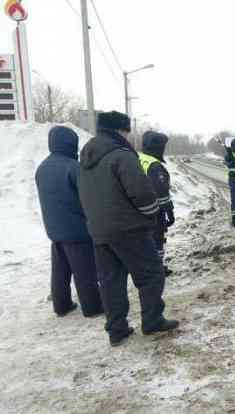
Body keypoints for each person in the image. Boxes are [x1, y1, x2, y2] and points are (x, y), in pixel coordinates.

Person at [78, 111, 178, 347]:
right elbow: (141, 193)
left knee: (111, 281)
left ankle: (117, 329)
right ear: (120, 131)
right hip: (129, 228)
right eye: (127, 131)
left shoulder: (86, 156)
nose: (130, 136)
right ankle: (153, 320)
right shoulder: (121, 155)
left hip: (99, 230)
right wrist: (152, 214)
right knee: (152, 273)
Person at [35, 126, 104, 318]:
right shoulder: (73, 167)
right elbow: (87, 198)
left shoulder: (42, 168)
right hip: (77, 230)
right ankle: (93, 307)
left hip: (54, 229)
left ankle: (62, 305)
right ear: (70, 143)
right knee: (85, 272)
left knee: (60, 271)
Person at [138, 131, 175, 277]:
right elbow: (162, 194)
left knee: (147, 240)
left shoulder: (139, 158)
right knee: (157, 238)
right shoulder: (154, 165)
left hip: (139, 209)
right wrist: (170, 212)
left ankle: (149, 265)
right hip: (154, 211)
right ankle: (157, 268)